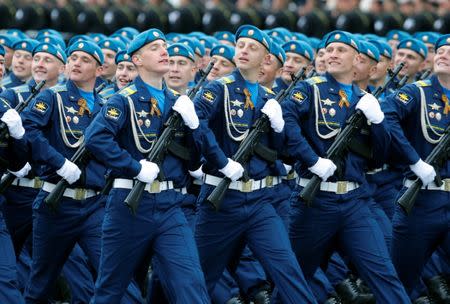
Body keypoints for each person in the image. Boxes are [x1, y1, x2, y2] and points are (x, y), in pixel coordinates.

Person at [282, 30, 410, 304]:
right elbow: (287, 125)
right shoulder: (309, 88)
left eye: (341, 50)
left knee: (384, 274)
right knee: (294, 281)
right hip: (314, 200)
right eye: (329, 50)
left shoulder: (364, 99)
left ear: (357, 60)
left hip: (355, 200)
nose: (333, 55)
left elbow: (379, 157)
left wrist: (377, 123)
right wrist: (312, 160)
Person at [192, 24, 317, 303]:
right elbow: (196, 126)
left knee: (287, 270)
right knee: (200, 277)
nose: (244, 51)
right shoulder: (217, 89)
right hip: (220, 201)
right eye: (241, 46)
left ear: (266, 59)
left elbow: (282, 153)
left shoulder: (269, 99)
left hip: (260, 200)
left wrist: (279, 126)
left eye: (253, 47)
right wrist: (221, 161)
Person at [84, 28, 210, 303]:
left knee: (191, 284)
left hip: (170, 205)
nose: (164, 51)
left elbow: (195, 157)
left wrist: (194, 125)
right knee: (110, 290)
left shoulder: (179, 103)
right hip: (129, 206)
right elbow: (95, 138)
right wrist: (133, 167)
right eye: (154, 48)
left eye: (165, 46)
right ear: (137, 60)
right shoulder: (124, 98)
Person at [21, 40, 109, 303]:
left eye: (84, 59)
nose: (76, 63)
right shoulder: (52, 96)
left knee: (111, 273)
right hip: (56, 203)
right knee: (41, 283)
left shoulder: (105, 105)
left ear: (99, 69)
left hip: (95, 203)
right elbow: (29, 132)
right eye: (72, 58)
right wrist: (58, 162)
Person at [385, 34, 450, 303]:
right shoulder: (416, 91)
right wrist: (414, 160)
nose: (444, 55)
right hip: (421, 199)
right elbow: (385, 116)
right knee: (400, 282)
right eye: (441, 50)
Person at [0, 43, 29, 304]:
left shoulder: (4, 108)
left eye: (0, 63)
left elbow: (19, 166)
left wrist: (18, 136)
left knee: (6, 278)